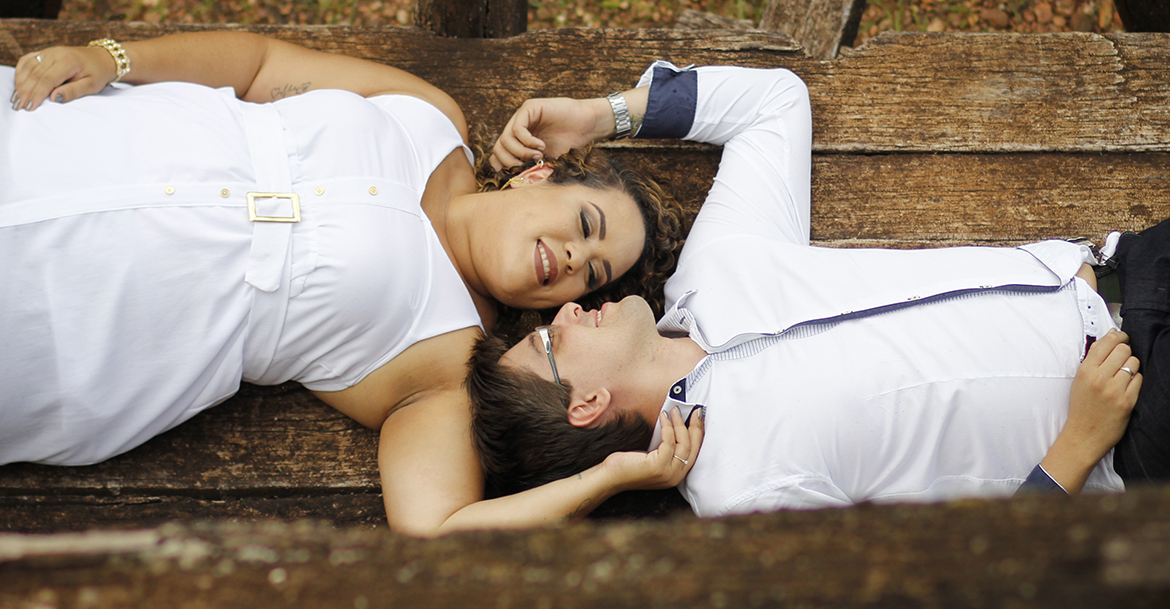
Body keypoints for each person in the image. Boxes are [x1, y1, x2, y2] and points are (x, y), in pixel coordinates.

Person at [0, 32, 694, 534]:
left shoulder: (443, 366)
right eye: (586, 224)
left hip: (53, 316)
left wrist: (608, 478)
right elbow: (258, 65)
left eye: (594, 274)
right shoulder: (431, 118)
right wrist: (112, 57)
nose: (574, 259)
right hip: (57, 141)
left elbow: (436, 528)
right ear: (541, 175)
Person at [468, 61, 1158, 517]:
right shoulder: (743, 496)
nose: (564, 310)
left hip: (1131, 269)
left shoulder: (712, 274)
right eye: (547, 339)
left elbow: (774, 105)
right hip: (1136, 420)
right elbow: (939, 596)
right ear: (586, 404)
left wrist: (599, 115)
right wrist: (1078, 444)